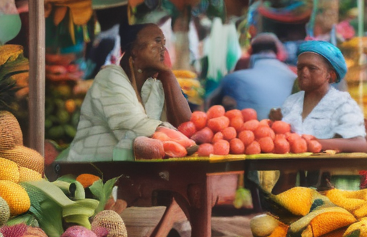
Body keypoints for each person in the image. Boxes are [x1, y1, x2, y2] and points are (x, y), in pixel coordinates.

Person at [67, 22, 192, 161]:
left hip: (123, 168)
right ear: (134, 50)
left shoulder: (154, 86)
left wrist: (168, 75)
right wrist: (186, 142)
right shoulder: (109, 77)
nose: (163, 49)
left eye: (164, 43)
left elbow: (187, 127)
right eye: (157, 42)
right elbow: (136, 127)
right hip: (89, 167)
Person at [272, 41, 367, 153]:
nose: (304, 72)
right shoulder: (292, 101)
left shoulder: (343, 103)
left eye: (312, 68)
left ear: (330, 75)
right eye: (300, 68)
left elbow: (360, 144)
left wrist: (316, 143)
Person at [206, 33, 296, 117]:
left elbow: (211, 107)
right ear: (279, 52)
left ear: (250, 52)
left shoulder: (233, 79)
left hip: (247, 126)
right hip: (286, 127)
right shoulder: (294, 77)